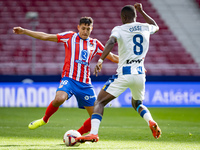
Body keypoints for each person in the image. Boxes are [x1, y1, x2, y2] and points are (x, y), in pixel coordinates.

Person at [13, 17, 119, 135]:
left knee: (96, 116)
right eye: (83, 28)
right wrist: (24, 31)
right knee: (59, 98)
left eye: (88, 29)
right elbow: (46, 36)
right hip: (69, 79)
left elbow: (113, 57)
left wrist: (134, 62)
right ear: (78, 27)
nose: (85, 31)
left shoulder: (95, 43)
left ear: (92, 29)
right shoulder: (70, 37)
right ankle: (45, 119)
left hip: (85, 84)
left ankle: (76, 135)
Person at [76, 3, 162, 143]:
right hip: (140, 74)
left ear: (124, 17)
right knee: (137, 103)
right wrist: (142, 11)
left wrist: (101, 59)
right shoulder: (145, 27)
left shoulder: (119, 29)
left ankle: (93, 133)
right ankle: (150, 121)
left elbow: (111, 41)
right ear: (135, 16)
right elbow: (156, 26)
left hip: (125, 73)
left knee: (99, 102)